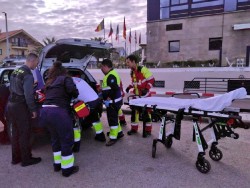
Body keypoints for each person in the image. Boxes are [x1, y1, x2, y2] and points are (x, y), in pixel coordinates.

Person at [39, 61, 79, 177]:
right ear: (63, 71)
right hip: (58, 112)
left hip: (45, 111)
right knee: (66, 140)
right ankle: (67, 169)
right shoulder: (66, 79)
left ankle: (57, 165)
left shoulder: (50, 81)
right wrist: (74, 93)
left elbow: (45, 93)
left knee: (55, 138)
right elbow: (73, 91)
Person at [7, 53, 41, 166]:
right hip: (20, 107)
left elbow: (14, 87)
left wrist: (29, 85)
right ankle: (26, 159)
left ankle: (15, 158)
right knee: (24, 133)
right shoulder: (28, 74)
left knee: (15, 133)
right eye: (37, 62)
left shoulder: (16, 71)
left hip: (11, 105)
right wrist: (33, 109)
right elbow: (28, 95)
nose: (37, 65)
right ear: (32, 61)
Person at [72, 76, 106, 151]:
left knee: (75, 120)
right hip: (96, 99)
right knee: (94, 118)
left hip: (88, 102)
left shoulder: (68, 83)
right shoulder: (77, 79)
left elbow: (71, 97)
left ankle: (76, 145)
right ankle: (100, 136)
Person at [125, 54, 155, 136]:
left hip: (145, 96)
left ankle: (148, 130)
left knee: (147, 114)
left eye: (128, 62)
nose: (127, 64)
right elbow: (134, 82)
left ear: (134, 61)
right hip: (136, 96)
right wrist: (129, 87)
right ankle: (134, 129)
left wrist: (147, 89)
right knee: (134, 113)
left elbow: (152, 80)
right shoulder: (132, 72)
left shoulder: (142, 69)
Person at [100, 59, 124, 146]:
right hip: (114, 101)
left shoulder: (110, 76)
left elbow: (114, 88)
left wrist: (108, 98)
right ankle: (119, 132)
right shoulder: (111, 74)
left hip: (113, 102)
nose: (101, 69)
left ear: (106, 66)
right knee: (115, 118)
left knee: (112, 120)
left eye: (102, 67)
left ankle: (113, 138)